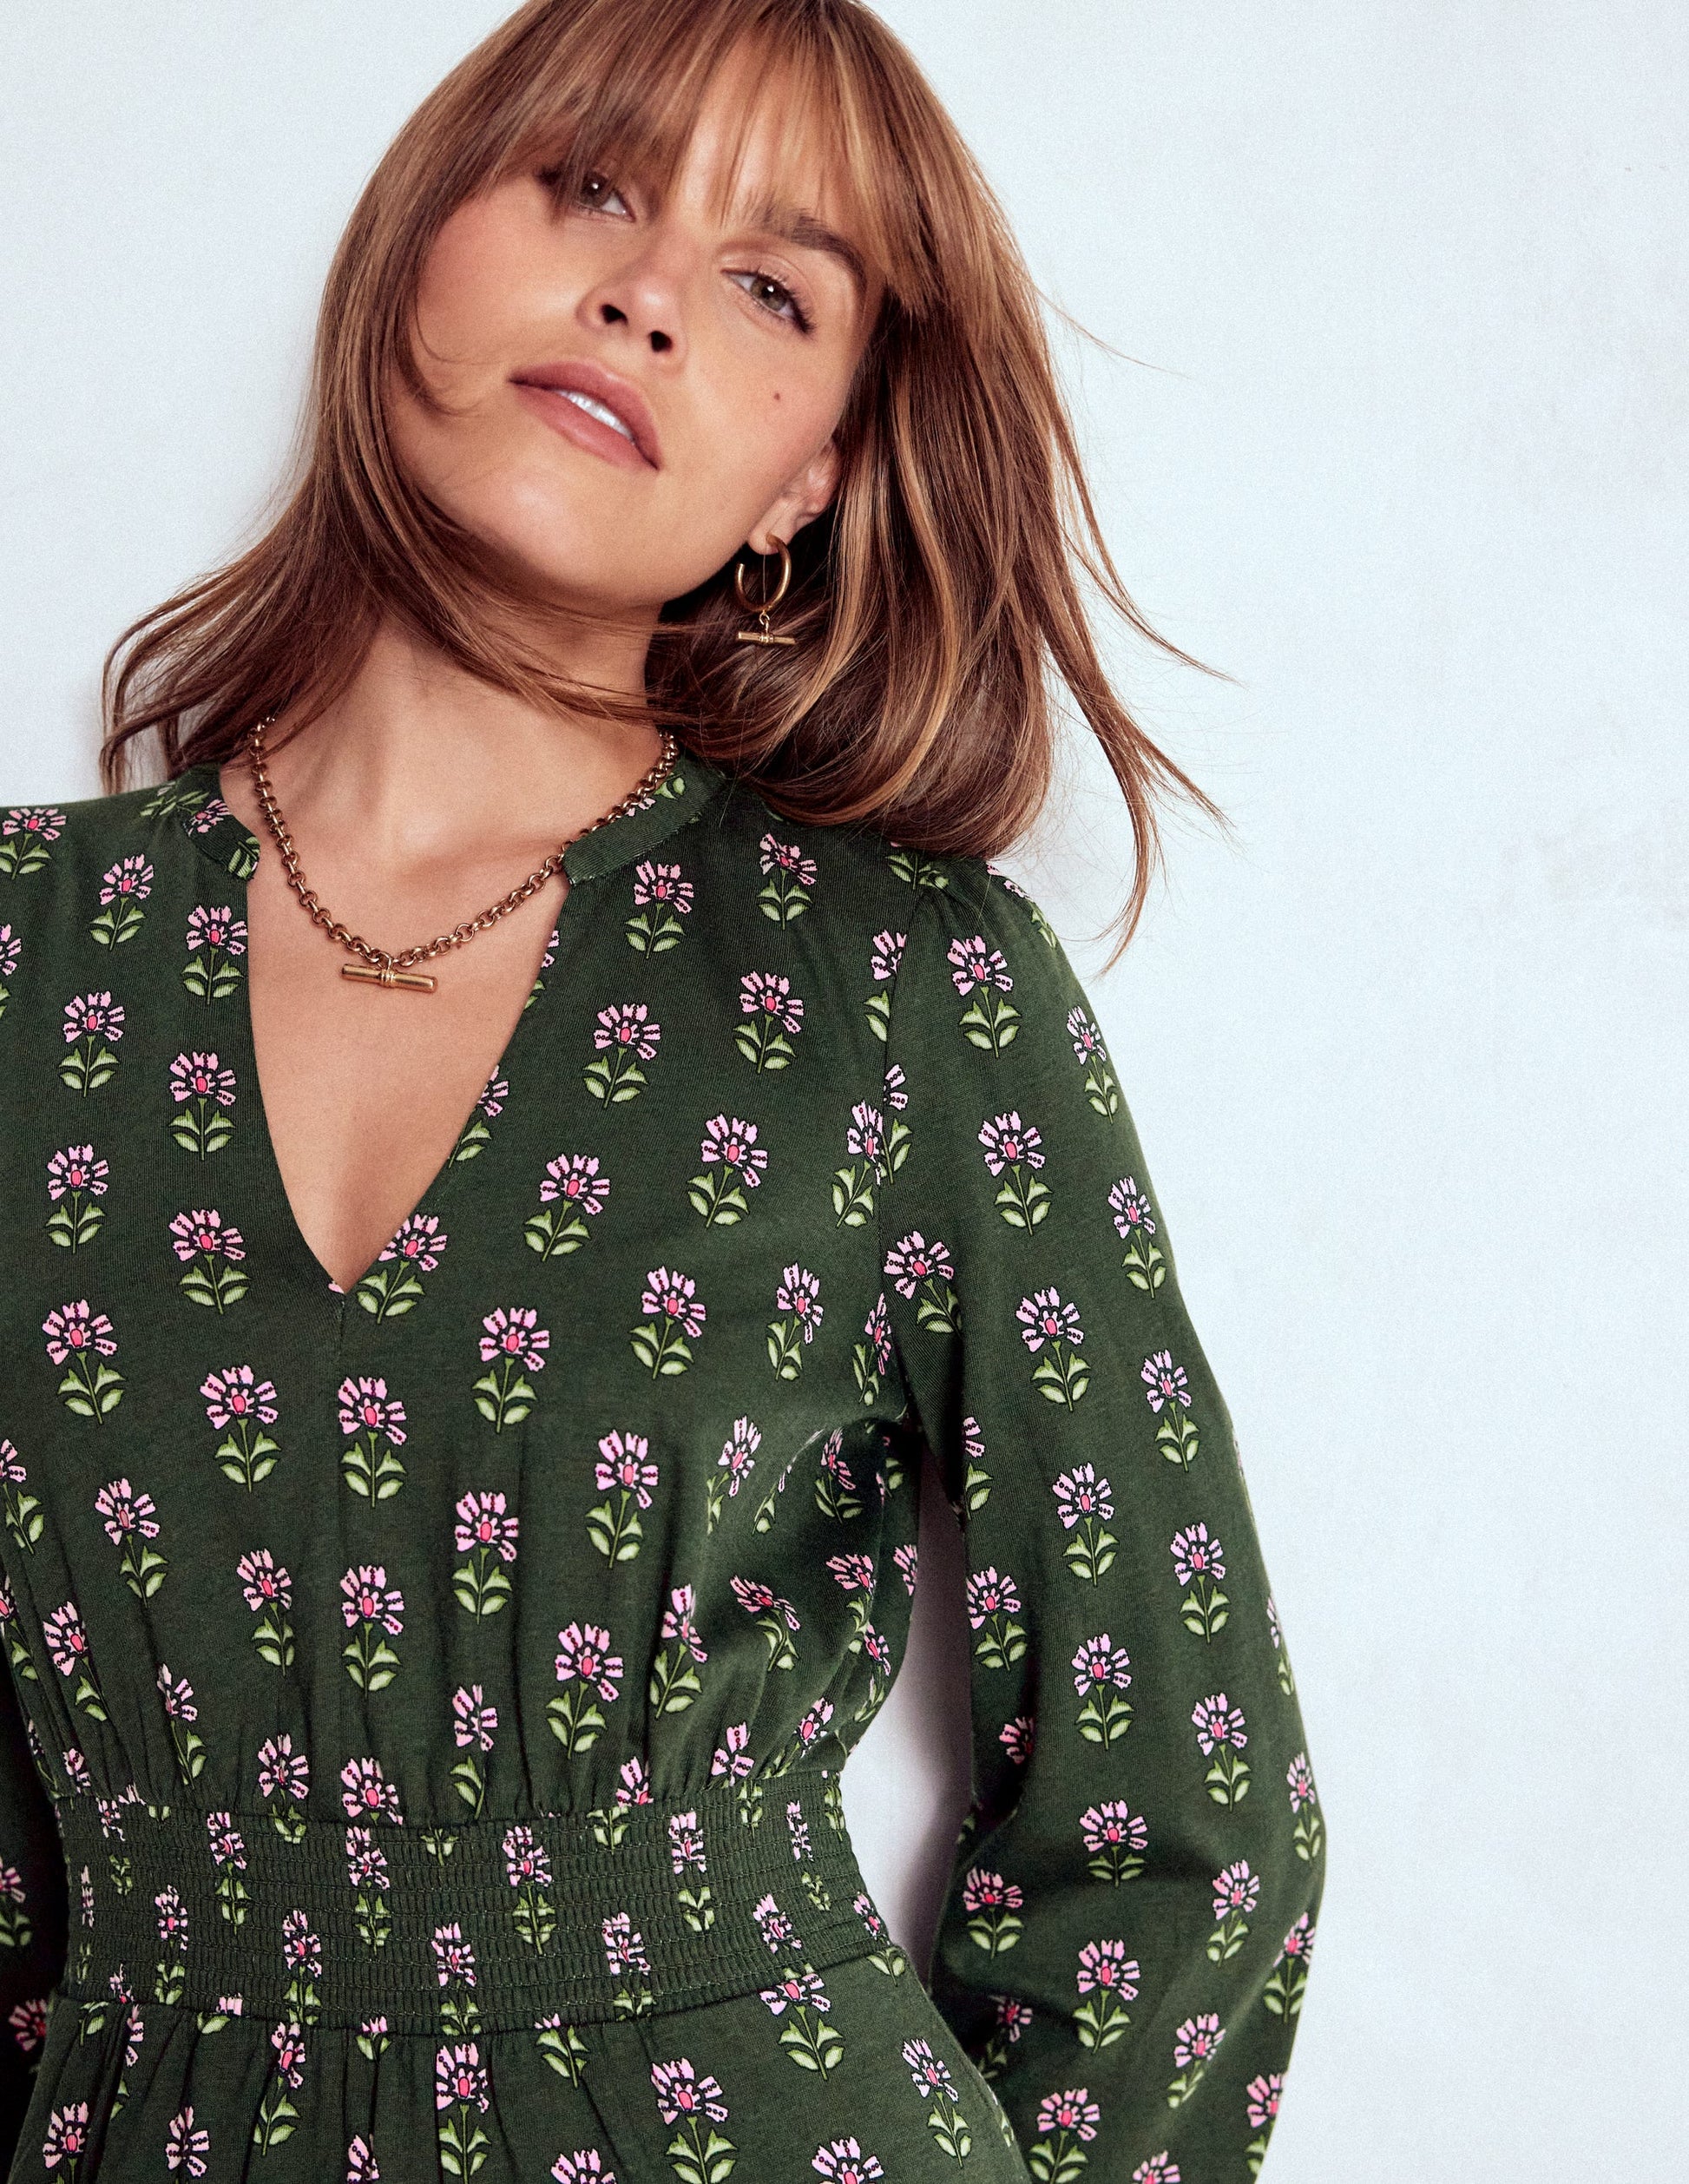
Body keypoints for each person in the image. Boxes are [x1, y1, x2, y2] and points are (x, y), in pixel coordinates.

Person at [0, 1, 1325, 2177]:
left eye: (772, 287)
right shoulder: (22, 953)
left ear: (809, 475)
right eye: (592, 187)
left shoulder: (903, 987)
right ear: (416, 244)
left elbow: (1182, 1819)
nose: (645, 294)